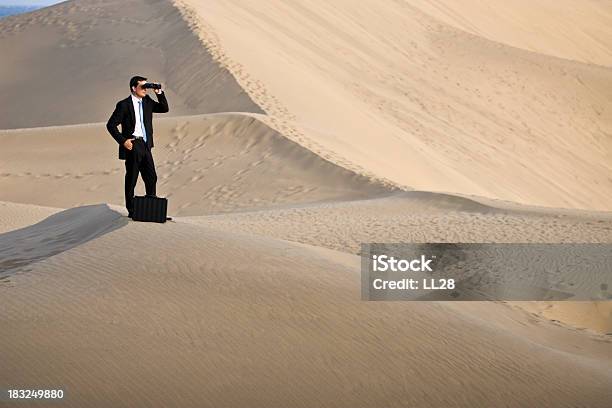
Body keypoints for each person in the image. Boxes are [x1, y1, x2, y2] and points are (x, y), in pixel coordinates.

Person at [106, 75, 169, 218]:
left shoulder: (147, 101)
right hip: (132, 144)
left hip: (145, 145)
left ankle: (151, 208)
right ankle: (132, 210)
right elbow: (111, 125)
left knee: (151, 176)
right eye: (143, 86)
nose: (145, 89)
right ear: (134, 88)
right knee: (132, 178)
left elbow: (164, 108)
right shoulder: (123, 104)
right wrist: (123, 141)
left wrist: (158, 92)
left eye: (147, 86)